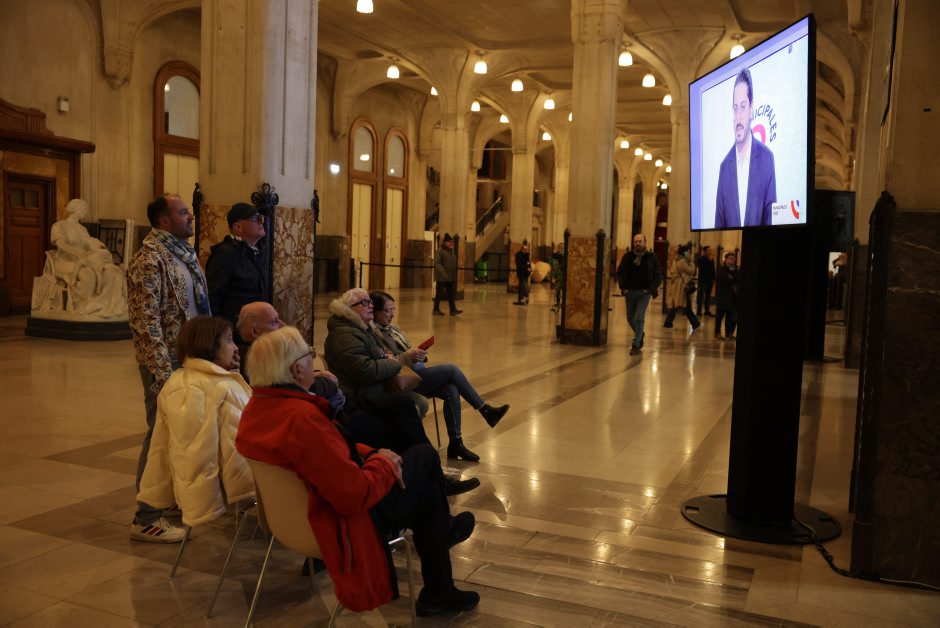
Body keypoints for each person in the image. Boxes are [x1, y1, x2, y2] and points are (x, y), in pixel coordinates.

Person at [236, 326, 481, 616]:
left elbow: (328, 452)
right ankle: (441, 573)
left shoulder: (257, 409)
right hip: (344, 522)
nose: (313, 361)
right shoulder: (301, 419)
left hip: (294, 522)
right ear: (297, 369)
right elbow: (354, 494)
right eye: (309, 354)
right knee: (424, 456)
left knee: (427, 495)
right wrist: (384, 464)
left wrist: (374, 454)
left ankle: (440, 586)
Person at [241, 299, 479, 496]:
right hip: (347, 408)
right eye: (274, 321)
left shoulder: (362, 330)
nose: (282, 323)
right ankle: (427, 480)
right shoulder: (264, 359)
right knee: (409, 432)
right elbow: (349, 483)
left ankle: (430, 477)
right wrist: (379, 461)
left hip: (346, 402)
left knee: (408, 405)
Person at [127, 193, 210, 542]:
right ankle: (145, 518)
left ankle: (168, 498)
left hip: (189, 358)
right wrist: (163, 375)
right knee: (159, 436)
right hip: (165, 363)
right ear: (164, 221)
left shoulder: (183, 255)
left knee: (181, 433)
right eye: (183, 212)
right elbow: (145, 323)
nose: (190, 216)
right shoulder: (149, 260)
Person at [137, 316, 254, 527]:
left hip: (242, 473)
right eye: (229, 340)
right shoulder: (194, 388)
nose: (236, 348)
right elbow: (194, 453)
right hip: (246, 478)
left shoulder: (204, 380)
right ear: (209, 345)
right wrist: (200, 504)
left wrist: (231, 373)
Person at [369, 291, 510, 462]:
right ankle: (484, 409)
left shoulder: (393, 329)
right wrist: (408, 356)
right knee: (452, 370)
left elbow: (407, 350)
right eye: (387, 311)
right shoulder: (374, 335)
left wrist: (417, 354)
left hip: (414, 371)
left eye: (393, 310)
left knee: (451, 389)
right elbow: (388, 362)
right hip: (401, 380)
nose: (392, 315)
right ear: (375, 312)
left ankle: (456, 443)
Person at [31, 198, 126, 318]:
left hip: (85, 260)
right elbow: (61, 244)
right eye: (84, 209)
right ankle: (83, 306)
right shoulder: (59, 226)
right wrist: (78, 254)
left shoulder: (82, 229)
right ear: (75, 209)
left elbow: (89, 244)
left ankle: (106, 305)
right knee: (87, 274)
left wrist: (99, 248)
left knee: (113, 272)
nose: (85, 212)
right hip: (66, 262)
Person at [715, 68, 777, 228]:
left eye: (743, 107)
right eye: (735, 108)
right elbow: (718, 224)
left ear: (751, 109)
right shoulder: (724, 167)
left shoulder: (766, 158)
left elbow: (771, 219)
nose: (738, 117)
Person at [205, 202, 270, 345]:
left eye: (261, 218)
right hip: (235, 338)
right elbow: (212, 300)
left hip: (255, 334)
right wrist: (223, 337)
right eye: (254, 219)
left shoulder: (257, 252)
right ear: (238, 227)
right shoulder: (225, 254)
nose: (261, 222)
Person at [616, 233, 662, 356]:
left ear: (645, 242)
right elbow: (619, 272)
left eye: (640, 241)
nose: (637, 244)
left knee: (639, 317)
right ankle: (640, 333)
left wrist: (650, 289)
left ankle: (636, 344)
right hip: (630, 292)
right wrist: (623, 288)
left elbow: (658, 275)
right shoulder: (628, 257)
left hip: (644, 293)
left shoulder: (652, 257)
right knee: (630, 317)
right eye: (635, 242)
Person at [663, 243, 701, 331]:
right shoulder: (682, 261)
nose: (689, 254)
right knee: (682, 305)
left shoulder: (677, 260)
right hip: (681, 287)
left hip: (677, 286)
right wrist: (692, 262)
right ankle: (695, 323)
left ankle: (668, 323)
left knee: (678, 305)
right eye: (688, 252)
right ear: (685, 252)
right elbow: (691, 271)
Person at [433, 233, 462, 316]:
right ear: (445, 242)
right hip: (442, 277)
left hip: (450, 277)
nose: (451, 243)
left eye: (452, 242)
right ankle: (436, 310)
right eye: (450, 242)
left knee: (451, 294)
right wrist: (443, 273)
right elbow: (437, 263)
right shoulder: (440, 251)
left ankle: (453, 310)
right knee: (439, 294)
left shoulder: (451, 251)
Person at [714, 251, 740, 340]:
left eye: (734, 259)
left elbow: (738, 278)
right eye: (731, 259)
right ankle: (717, 333)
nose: (732, 261)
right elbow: (724, 279)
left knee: (730, 317)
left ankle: (729, 333)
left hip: (732, 297)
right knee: (719, 316)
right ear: (726, 259)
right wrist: (731, 278)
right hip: (723, 296)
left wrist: (731, 277)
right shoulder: (721, 269)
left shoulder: (735, 270)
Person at [696, 246, 716, 317]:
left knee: (708, 296)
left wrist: (714, 279)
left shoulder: (711, 259)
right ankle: (699, 311)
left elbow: (713, 270)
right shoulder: (701, 260)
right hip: (703, 281)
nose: (710, 252)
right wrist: (709, 261)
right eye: (708, 250)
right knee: (701, 296)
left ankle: (707, 310)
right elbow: (704, 269)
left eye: (710, 250)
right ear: (704, 251)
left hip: (710, 281)